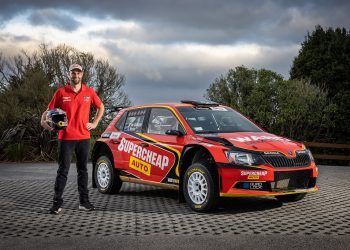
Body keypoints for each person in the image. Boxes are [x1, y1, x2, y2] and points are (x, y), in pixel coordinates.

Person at [41, 63, 105, 214]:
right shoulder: (61, 92)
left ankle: (84, 202)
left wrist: (95, 123)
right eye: (73, 73)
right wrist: (44, 121)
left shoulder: (89, 92)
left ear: (82, 74)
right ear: (69, 74)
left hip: (84, 137)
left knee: (83, 170)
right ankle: (57, 204)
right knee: (63, 170)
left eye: (78, 73)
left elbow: (101, 107)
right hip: (66, 137)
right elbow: (48, 111)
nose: (75, 75)